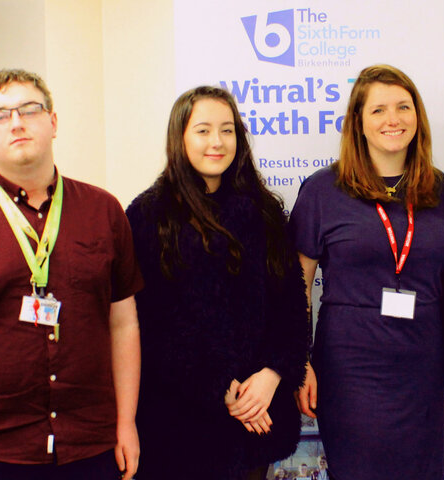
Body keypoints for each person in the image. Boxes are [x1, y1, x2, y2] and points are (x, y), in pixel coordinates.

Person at [125, 86, 309, 480]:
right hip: (180, 423)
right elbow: (149, 323)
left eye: (227, 131)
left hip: (256, 416)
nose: (217, 142)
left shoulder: (264, 211)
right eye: (203, 130)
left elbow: (292, 305)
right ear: (180, 137)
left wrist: (272, 375)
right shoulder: (149, 215)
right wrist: (218, 386)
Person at [290, 64, 444, 480]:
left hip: (423, 367)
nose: (393, 119)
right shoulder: (323, 190)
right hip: (351, 371)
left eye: (403, 107)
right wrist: (299, 361)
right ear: (358, 123)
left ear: (418, 117)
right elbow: (297, 284)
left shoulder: (439, 188)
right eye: (378, 110)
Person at [0, 69, 142, 478]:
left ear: (53, 122)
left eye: (29, 109)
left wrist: (126, 422)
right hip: (4, 447)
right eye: (0, 115)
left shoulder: (103, 210)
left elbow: (123, 323)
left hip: (93, 441)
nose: (17, 123)